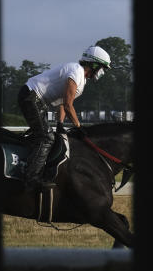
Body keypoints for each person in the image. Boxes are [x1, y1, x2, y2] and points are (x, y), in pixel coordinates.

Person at [16, 45, 111, 188]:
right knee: (46, 137)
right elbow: (68, 105)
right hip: (30, 97)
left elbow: (62, 103)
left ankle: (36, 169)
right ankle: (31, 178)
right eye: (102, 68)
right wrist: (78, 126)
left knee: (49, 136)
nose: (102, 72)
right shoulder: (76, 72)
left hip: (35, 99)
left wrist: (60, 123)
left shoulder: (81, 80)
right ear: (94, 64)